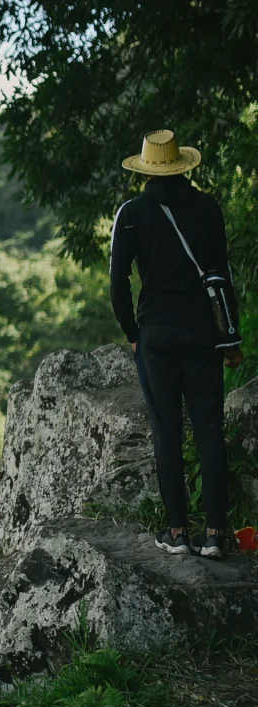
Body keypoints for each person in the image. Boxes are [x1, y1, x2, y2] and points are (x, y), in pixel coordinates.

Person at [110, 129, 243, 558]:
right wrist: (229, 341)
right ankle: (216, 537)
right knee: (209, 431)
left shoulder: (131, 213)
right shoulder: (207, 208)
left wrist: (133, 334)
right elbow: (222, 278)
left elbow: (117, 286)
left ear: (146, 168)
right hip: (202, 335)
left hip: (155, 337)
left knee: (166, 433)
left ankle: (177, 533)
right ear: (183, 165)